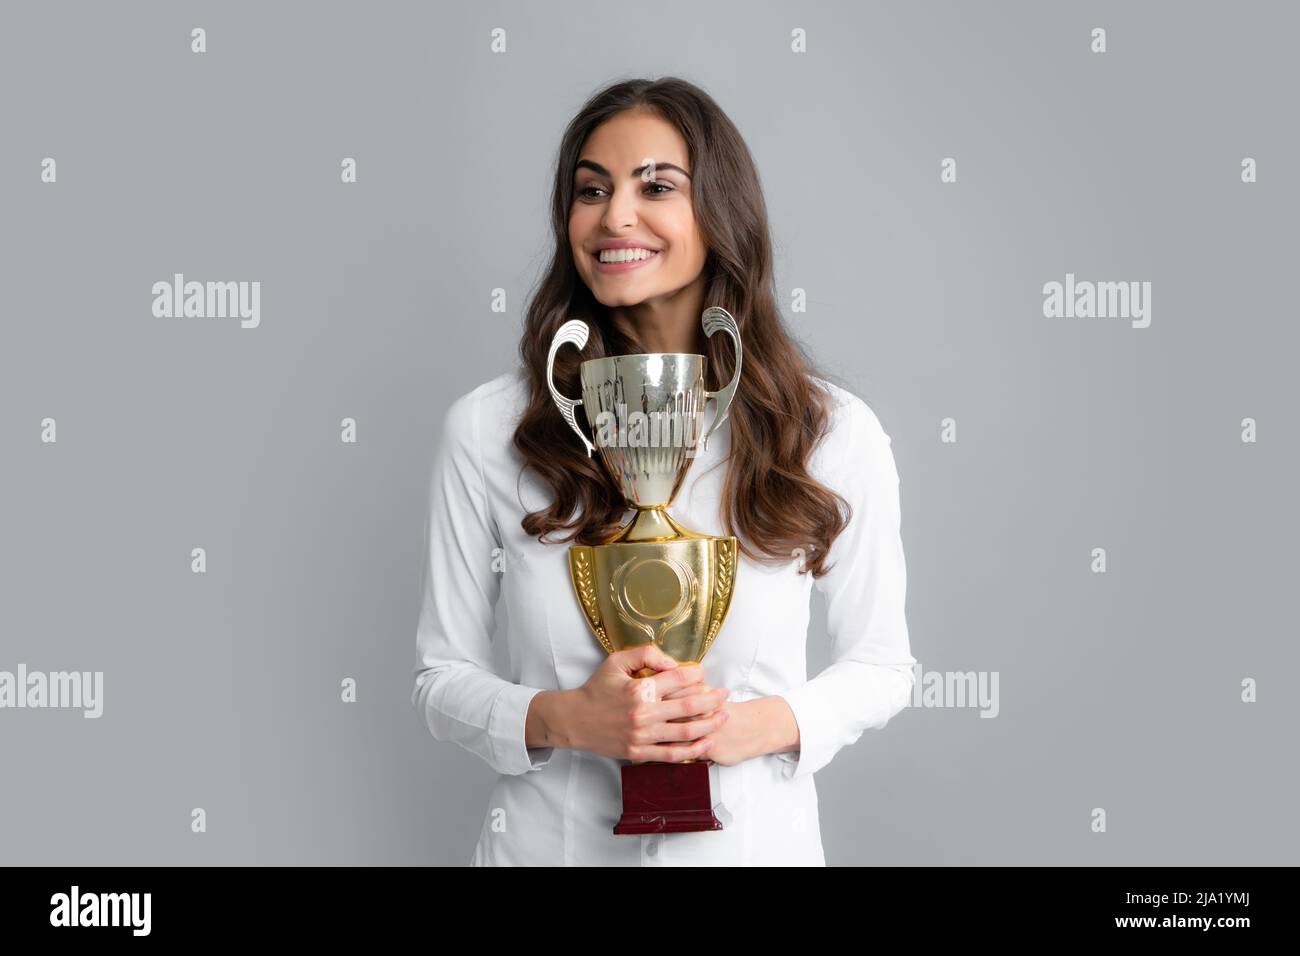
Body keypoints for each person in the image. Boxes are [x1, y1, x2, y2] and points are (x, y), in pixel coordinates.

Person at [412, 77, 915, 865]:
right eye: (591, 189)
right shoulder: (488, 429)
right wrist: (563, 718)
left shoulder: (826, 432)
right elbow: (440, 678)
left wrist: (752, 726)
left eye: (656, 185)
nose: (615, 215)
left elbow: (883, 667)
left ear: (720, 211)